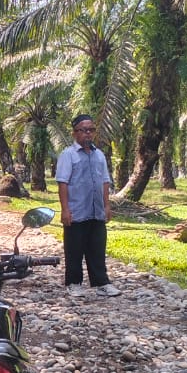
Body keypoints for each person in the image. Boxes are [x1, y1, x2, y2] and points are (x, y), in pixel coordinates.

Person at [55, 114, 121, 297]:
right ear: (75, 132)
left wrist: (107, 206)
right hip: (76, 211)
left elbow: (105, 181)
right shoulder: (68, 155)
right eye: (83, 130)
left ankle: (101, 282)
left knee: (97, 248)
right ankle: (74, 283)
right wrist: (65, 210)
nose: (88, 134)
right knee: (74, 249)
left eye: (91, 130)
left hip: (96, 210)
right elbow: (63, 183)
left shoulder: (99, 155)